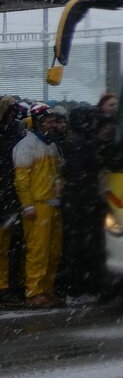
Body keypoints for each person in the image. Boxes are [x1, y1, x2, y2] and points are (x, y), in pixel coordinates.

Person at [13, 103, 66, 308]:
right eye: (49, 122)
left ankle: (46, 290)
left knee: (53, 251)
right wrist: (27, 205)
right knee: (38, 251)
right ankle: (34, 292)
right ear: (38, 122)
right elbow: (21, 181)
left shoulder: (51, 144)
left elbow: (58, 171)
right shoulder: (26, 146)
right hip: (38, 206)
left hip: (53, 204)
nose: (52, 125)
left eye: (53, 121)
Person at [58, 105, 104, 304]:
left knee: (79, 246)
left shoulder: (78, 141)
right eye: (91, 119)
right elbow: (78, 175)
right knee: (79, 247)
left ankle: (78, 288)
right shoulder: (79, 143)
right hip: (81, 202)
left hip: (79, 201)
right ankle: (76, 290)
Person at [0, 96, 26, 308]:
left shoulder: (13, 133)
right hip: (7, 195)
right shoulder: (11, 135)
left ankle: (7, 286)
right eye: (9, 111)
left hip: (9, 195)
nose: (12, 115)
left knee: (9, 245)